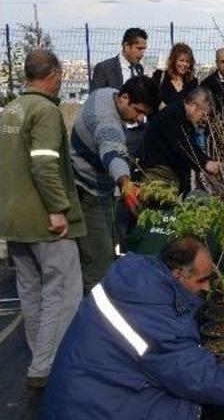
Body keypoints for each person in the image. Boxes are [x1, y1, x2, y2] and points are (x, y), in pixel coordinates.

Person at [41, 236, 224, 419]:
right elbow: (196, 376)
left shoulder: (138, 279)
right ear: (178, 274)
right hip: (94, 410)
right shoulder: (153, 320)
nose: (207, 287)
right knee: (193, 407)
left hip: (84, 395)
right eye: (202, 280)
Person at [0, 49, 85, 388]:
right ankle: (48, 367)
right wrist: (58, 208)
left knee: (30, 293)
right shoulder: (46, 111)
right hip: (46, 222)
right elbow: (45, 164)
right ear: (54, 75)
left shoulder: (11, 109)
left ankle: (39, 357)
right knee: (62, 293)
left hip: (14, 221)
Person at [71, 76, 161, 291]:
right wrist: (125, 183)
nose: (139, 119)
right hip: (88, 191)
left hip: (95, 186)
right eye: (138, 111)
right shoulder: (107, 121)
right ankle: (94, 312)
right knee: (99, 260)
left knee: (106, 248)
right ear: (124, 98)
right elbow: (112, 151)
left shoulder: (105, 94)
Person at [88, 28, 151, 252]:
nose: (142, 52)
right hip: (114, 135)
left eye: (144, 48)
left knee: (134, 188)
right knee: (118, 185)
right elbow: (95, 101)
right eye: (138, 48)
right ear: (125, 46)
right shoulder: (105, 69)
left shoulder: (140, 69)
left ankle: (130, 241)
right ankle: (113, 242)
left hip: (137, 136)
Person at [140, 87, 221, 194]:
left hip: (170, 175)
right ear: (192, 105)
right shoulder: (172, 115)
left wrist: (207, 161)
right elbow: (181, 145)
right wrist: (205, 163)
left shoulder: (183, 118)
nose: (205, 119)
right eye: (203, 114)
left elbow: (189, 146)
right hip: (159, 175)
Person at [152, 42, 199, 107]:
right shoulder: (159, 76)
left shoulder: (193, 83)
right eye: (181, 60)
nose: (184, 64)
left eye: (187, 61)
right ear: (173, 60)